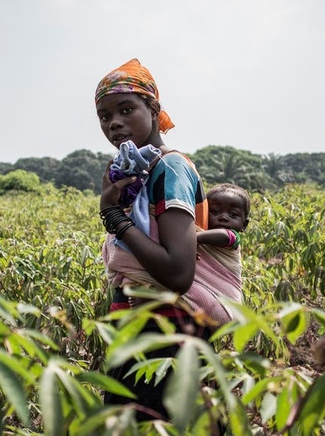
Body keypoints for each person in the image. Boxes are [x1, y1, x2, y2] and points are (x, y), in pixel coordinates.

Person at [96, 58, 211, 422]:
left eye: (126, 109)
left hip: (165, 335)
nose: (113, 123)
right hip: (142, 328)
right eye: (104, 116)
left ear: (154, 109)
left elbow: (178, 273)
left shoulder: (170, 168)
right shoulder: (136, 172)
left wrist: (113, 216)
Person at [194, 183, 250, 324]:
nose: (223, 217)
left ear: (244, 225)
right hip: (208, 306)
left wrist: (192, 239)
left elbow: (224, 236)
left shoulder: (233, 238)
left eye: (233, 215)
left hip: (225, 306)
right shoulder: (202, 234)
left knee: (172, 287)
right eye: (215, 211)